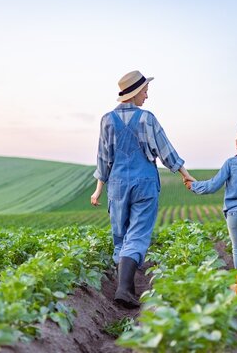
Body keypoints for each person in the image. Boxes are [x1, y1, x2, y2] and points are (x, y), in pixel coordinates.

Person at [91, 70, 195, 308]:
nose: (147, 97)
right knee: (137, 234)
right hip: (145, 183)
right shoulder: (147, 118)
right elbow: (165, 149)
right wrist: (184, 173)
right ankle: (124, 289)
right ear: (136, 93)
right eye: (145, 92)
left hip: (117, 185)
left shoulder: (107, 120)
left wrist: (98, 190)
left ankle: (124, 287)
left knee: (120, 235)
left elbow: (103, 158)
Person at [185, 126, 237, 296]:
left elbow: (212, 186)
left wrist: (192, 185)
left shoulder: (231, 163)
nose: (235, 140)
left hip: (233, 213)